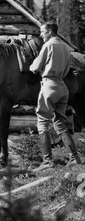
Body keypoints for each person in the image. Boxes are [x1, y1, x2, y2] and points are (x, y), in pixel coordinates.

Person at [29, 21, 81, 172]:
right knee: (60, 124)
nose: (41, 35)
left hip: (49, 85)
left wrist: (33, 67)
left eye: (42, 32)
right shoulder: (65, 47)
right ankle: (74, 158)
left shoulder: (48, 45)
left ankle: (47, 162)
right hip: (62, 87)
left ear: (50, 31)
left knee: (42, 123)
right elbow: (68, 68)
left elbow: (36, 66)